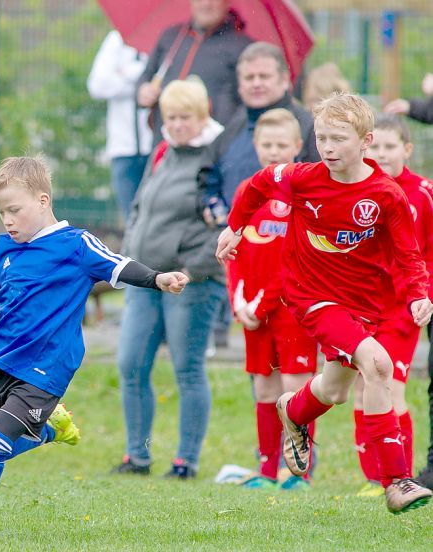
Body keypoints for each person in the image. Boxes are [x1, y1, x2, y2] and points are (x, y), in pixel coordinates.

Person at [0, 155, 189, 540]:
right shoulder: (4, 250)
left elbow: (119, 265)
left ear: (43, 200)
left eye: (14, 210)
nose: (8, 220)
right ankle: (48, 431)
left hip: (49, 366)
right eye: (1, 213)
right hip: (3, 362)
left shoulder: (76, 245)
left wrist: (158, 278)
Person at [216, 92, 433, 514]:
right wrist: (235, 227)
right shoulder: (300, 177)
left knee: (333, 389)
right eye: (321, 138)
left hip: (363, 306)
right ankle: (396, 482)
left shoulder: (386, 195)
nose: (328, 149)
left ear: (366, 141)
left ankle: (294, 410)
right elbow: (256, 185)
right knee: (378, 365)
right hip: (312, 298)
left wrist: (419, 293)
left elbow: (409, 254)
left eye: (338, 139)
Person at [113, 78, 225, 479]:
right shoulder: (162, 151)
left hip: (191, 281)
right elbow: (141, 206)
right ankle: (137, 455)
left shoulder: (216, 155)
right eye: (170, 117)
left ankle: (185, 461)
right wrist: (128, 258)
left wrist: (191, 270)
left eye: (185, 118)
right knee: (130, 364)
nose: (177, 125)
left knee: (187, 368)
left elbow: (224, 223)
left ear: (202, 115)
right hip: (146, 277)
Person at [199, 42, 319, 351]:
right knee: (261, 370)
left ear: (284, 80)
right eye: (249, 77)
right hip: (243, 253)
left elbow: (322, 185)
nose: (256, 83)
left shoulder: (308, 128)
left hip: (290, 261)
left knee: (291, 371)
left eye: (264, 76)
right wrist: (214, 208)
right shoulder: (233, 126)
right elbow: (206, 175)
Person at [226, 109, 319, 491]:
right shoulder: (248, 190)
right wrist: (238, 301)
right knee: (265, 389)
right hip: (254, 313)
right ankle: (266, 471)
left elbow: (295, 262)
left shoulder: (304, 192)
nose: (274, 151)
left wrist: (261, 304)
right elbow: (233, 250)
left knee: (296, 389)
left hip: (294, 310)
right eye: (267, 144)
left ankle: (298, 472)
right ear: (256, 145)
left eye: (283, 145)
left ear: (298, 146)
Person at [350, 115, 433, 497]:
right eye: (375, 148)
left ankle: (402, 478)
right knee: (360, 388)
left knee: (391, 387)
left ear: (407, 150)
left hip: (403, 307)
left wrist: (423, 295)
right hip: (363, 304)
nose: (381, 155)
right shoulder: (358, 189)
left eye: (389, 147)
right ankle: (372, 478)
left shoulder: (422, 193)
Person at [136, 0, 252, 145]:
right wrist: (143, 90)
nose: (206, 4)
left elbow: (246, 102)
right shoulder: (172, 37)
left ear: (226, 3)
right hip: (165, 144)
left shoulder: (241, 46)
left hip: (212, 148)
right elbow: (147, 75)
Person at [87, 30, 153, 221]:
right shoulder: (117, 39)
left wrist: (122, 73)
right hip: (123, 148)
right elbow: (98, 85)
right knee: (131, 218)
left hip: (154, 146)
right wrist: (137, 77)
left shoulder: (164, 37)